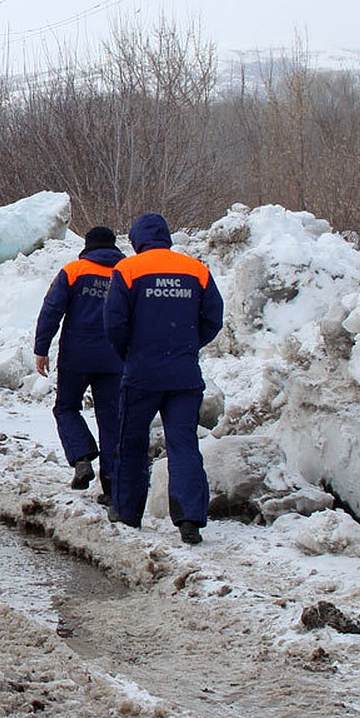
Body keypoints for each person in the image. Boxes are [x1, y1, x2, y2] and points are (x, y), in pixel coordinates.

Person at [103, 213, 224, 545]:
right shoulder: (196, 269)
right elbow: (214, 317)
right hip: (184, 375)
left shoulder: (127, 271)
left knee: (131, 443)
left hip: (142, 373)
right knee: (183, 445)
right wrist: (186, 343)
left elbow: (113, 322)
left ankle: (127, 510)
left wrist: (130, 351)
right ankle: (190, 518)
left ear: (137, 239)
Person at [34, 226, 125, 500]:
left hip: (76, 355)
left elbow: (51, 310)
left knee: (66, 407)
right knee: (111, 420)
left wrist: (41, 348)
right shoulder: (126, 273)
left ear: (88, 245)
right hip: (114, 357)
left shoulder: (73, 271)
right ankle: (112, 487)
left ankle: (81, 456)